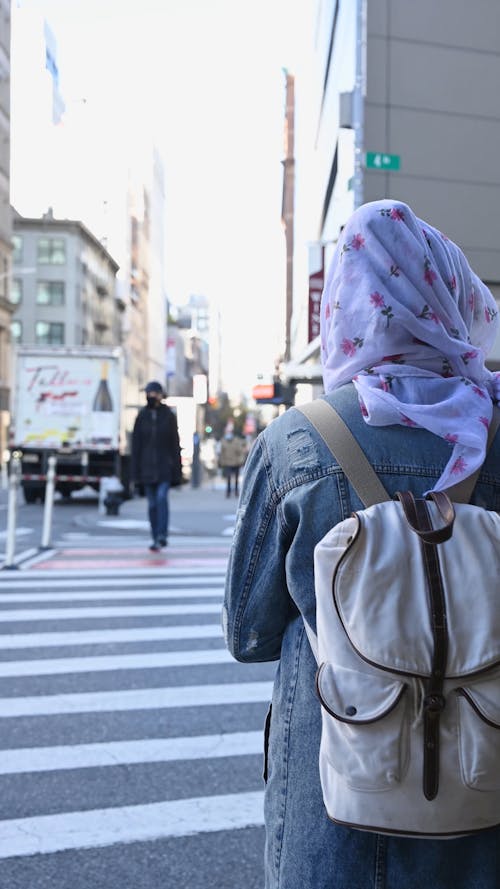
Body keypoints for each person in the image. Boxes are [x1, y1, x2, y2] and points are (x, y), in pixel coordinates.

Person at [223, 200, 500, 889]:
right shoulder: (492, 433)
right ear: (446, 292)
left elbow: (249, 632)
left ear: (346, 306)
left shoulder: (296, 441)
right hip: (479, 778)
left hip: (333, 791)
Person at [131, 380, 182, 551]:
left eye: (154, 393)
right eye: (149, 393)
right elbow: (136, 446)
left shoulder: (168, 416)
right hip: (146, 469)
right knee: (152, 504)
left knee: (161, 499)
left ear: (161, 395)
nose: (151, 396)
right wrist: (134, 474)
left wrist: (177, 471)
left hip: (164, 468)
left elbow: (175, 444)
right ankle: (155, 537)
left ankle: (162, 535)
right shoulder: (141, 416)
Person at [218, 431, 246, 497]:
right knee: (228, 478)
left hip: (236, 463)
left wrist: (241, 461)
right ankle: (228, 492)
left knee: (236, 479)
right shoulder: (223, 441)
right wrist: (221, 462)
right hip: (227, 463)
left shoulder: (237, 441)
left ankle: (236, 491)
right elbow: (221, 453)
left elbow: (240, 452)